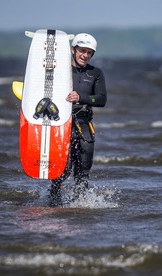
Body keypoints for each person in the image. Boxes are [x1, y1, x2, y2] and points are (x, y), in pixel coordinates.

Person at [49, 33, 107, 207]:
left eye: (89, 52)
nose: (85, 55)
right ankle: (53, 199)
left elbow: (102, 99)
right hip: (61, 124)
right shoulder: (60, 70)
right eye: (82, 51)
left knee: (83, 170)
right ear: (73, 50)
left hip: (83, 125)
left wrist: (81, 97)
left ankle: (80, 204)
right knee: (63, 169)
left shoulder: (95, 73)